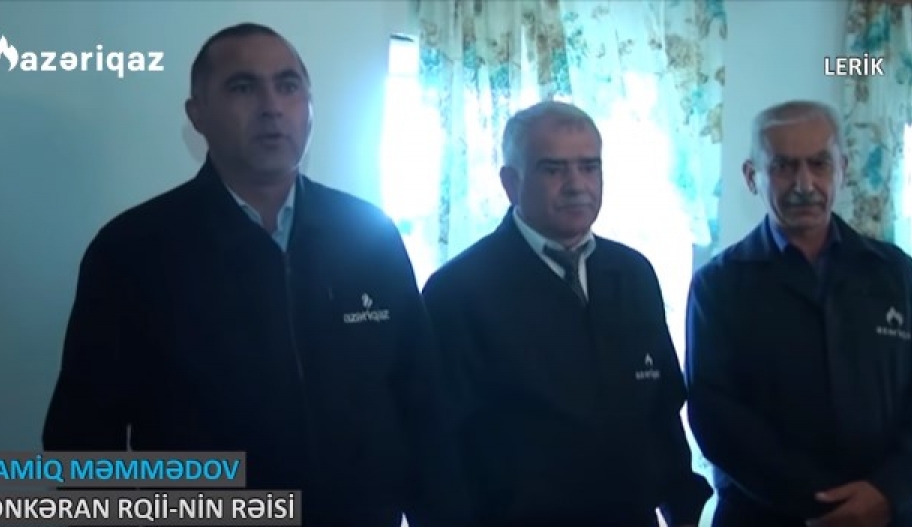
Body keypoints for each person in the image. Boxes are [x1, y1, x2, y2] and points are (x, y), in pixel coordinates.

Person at [42, 23, 467, 527]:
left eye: (288, 86)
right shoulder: (133, 251)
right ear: (197, 114)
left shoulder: (368, 234)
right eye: (243, 87)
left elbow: (423, 408)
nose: (272, 107)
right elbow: (83, 440)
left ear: (309, 105)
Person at [421, 100, 712, 527]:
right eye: (553, 170)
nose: (577, 185)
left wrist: (683, 508)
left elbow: (662, 406)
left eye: (589, 167)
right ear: (511, 183)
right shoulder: (459, 290)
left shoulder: (632, 273)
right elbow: (437, 448)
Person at [685, 100, 912, 527]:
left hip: (888, 513)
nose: (804, 184)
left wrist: (889, 490)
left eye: (819, 164)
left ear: (842, 169)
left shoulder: (897, 274)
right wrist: (824, 505)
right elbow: (715, 416)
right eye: (783, 167)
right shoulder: (718, 286)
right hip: (763, 517)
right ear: (751, 176)